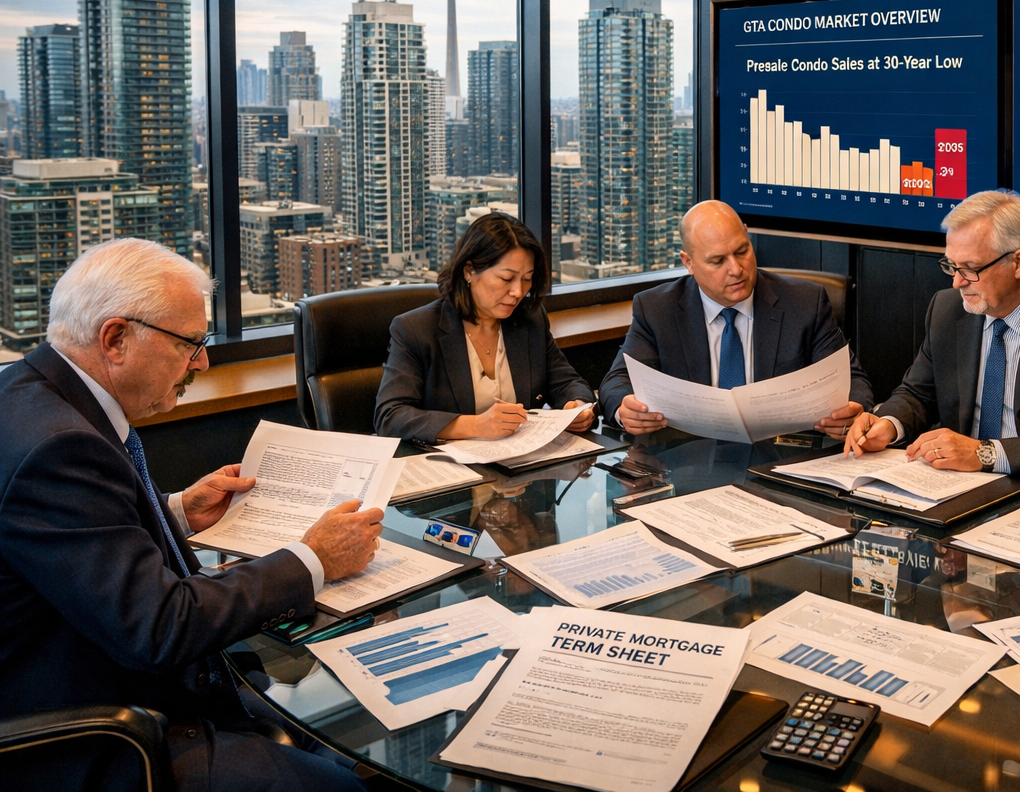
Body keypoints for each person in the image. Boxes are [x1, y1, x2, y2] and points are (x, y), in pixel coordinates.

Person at [0, 239, 380, 792]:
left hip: (107, 669)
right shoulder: (60, 449)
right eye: (189, 343)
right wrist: (312, 558)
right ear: (115, 338)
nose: (202, 361)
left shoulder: (32, 393)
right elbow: (162, 627)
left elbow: (76, 550)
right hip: (104, 734)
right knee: (345, 785)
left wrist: (175, 511)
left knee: (340, 752)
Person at [844, 189, 1020, 476]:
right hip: (951, 481)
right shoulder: (947, 309)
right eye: (951, 266)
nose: (957, 282)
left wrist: (984, 453)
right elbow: (918, 393)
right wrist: (890, 423)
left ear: (1019, 262)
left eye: (970, 268)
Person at [598, 200, 874, 436]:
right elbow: (616, 382)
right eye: (717, 261)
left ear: (747, 236)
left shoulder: (805, 302)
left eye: (742, 251)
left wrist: (853, 409)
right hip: (688, 462)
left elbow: (854, 382)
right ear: (689, 263)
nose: (736, 269)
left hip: (783, 461)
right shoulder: (656, 309)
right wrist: (626, 409)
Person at [375, 211, 595, 443]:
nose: (518, 292)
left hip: (520, 467)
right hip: (452, 470)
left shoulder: (530, 319)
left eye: (527, 279)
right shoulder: (416, 330)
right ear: (469, 271)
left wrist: (578, 406)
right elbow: (390, 417)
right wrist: (476, 425)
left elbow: (568, 383)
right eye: (506, 279)